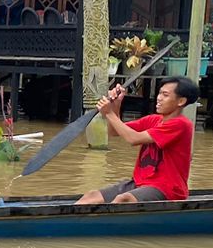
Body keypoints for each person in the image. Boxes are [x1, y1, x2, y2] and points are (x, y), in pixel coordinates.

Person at [75, 77, 198, 205]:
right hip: (140, 183)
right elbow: (114, 131)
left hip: (167, 189)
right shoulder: (153, 120)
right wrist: (116, 104)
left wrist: (109, 113)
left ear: (181, 101)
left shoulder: (181, 124)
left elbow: (133, 139)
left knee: (123, 200)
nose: (159, 98)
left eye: (165, 95)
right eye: (160, 93)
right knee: (91, 197)